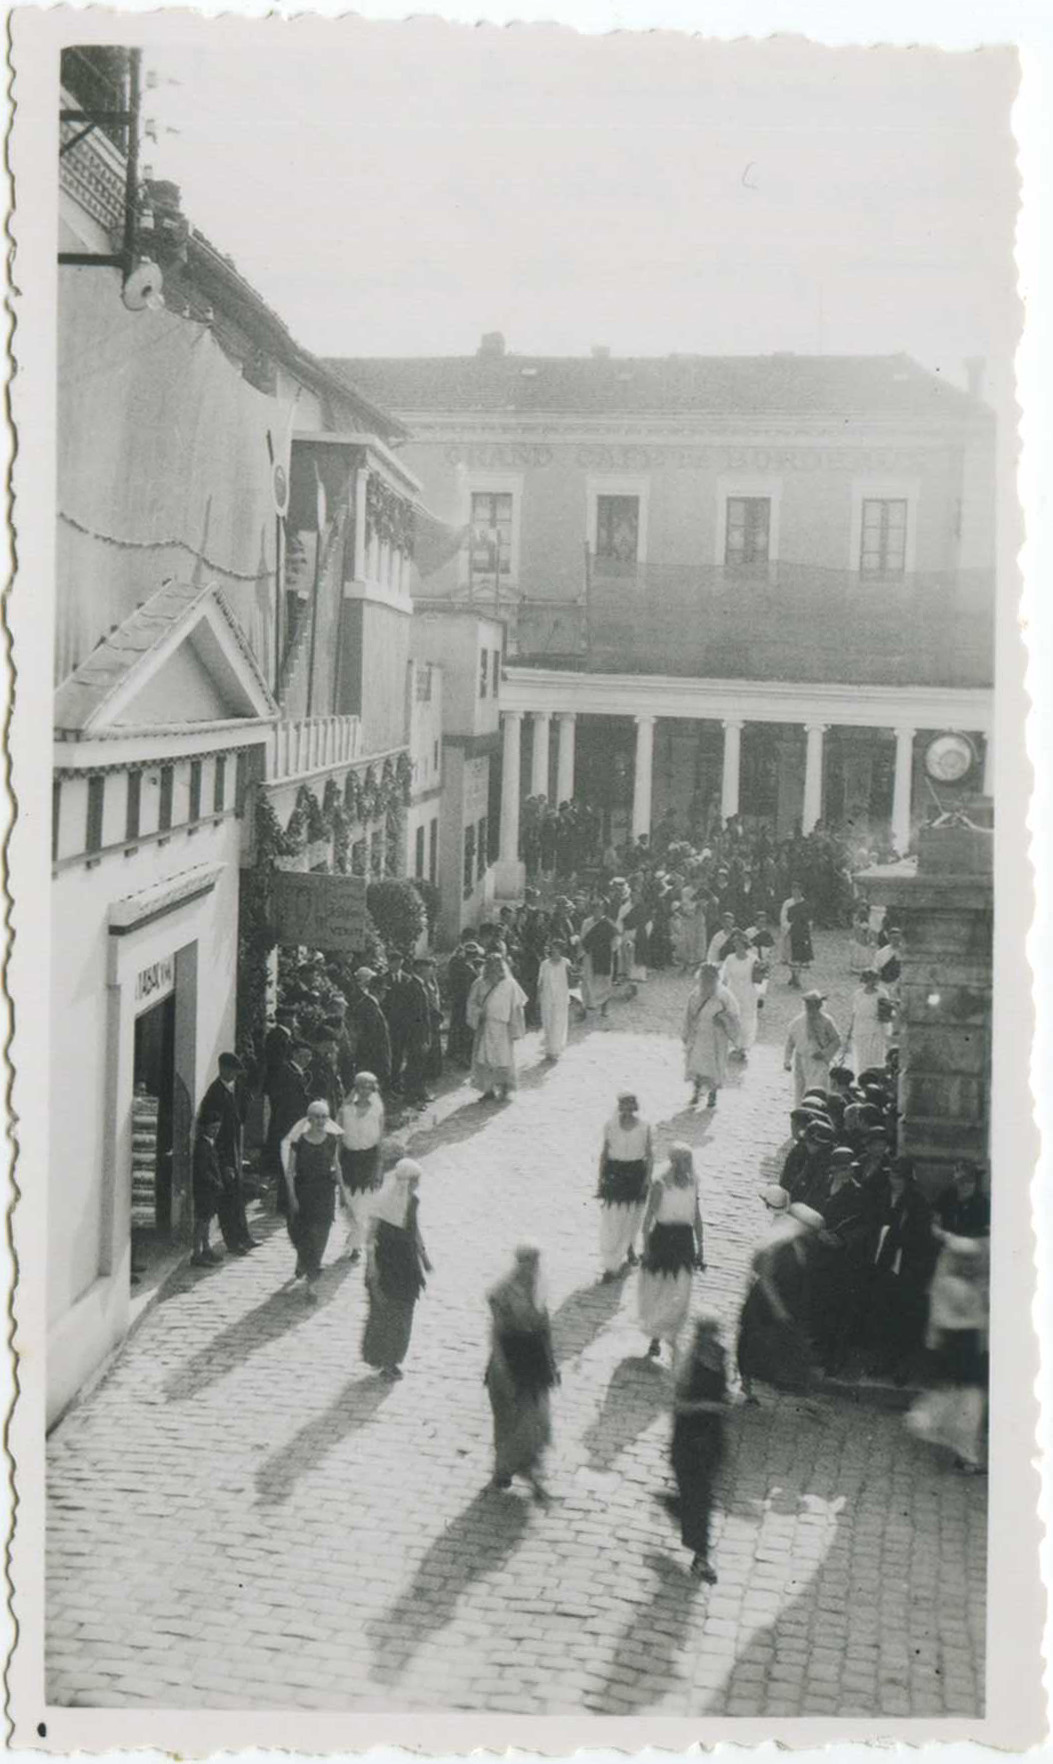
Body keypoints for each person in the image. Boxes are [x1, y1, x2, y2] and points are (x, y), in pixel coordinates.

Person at [905, 1236, 988, 1474]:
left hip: (960, 1345)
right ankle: (932, 1427)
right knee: (968, 1399)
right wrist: (978, 1319)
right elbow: (951, 1318)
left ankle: (953, 1442)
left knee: (961, 1397)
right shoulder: (951, 1284)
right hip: (960, 1345)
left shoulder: (954, 1282)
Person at [485, 1244, 559, 1500]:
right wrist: (502, 1366)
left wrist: (552, 1363)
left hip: (535, 1362)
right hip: (510, 1359)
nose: (532, 1267)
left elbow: (545, 1327)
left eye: (535, 1262)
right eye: (527, 1262)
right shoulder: (502, 1293)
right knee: (506, 1420)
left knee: (535, 1419)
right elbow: (496, 1332)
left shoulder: (540, 1288)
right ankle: (503, 1470)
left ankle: (529, 1473)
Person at [736, 1200, 824, 1400]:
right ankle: (745, 1385)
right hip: (763, 1303)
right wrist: (779, 1308)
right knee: (751, 1342)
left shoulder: (803, 1245)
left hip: (786, 1299)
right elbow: (765, 1278)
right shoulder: (776, 1244)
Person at [662, 1314, 728, 1582]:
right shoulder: (688, 1365)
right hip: (688, 1440)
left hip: (712, 1439)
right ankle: (701, 1559)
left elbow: (723, 1391)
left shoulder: (721, 1357)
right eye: (707, 1337)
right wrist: (709, 1406)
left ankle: (678, 1506)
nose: (712, 1343)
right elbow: (679, 1406)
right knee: (701, 1498)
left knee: (699, 1497)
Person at [864, 1158, 937, 1378]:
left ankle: (900, 1366)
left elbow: (921, 1240)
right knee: (881, 1315)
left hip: (905, 1268)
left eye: (898, 1177)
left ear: (907, 1179)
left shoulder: (918, 1203)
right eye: (891, 1176)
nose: (893, 1180)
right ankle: (882, 1360)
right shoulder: (884, 1196)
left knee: (902, 1319)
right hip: (883, 1264)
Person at [362, 1158, 431, 1380]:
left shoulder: (413, 1202)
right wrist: (372, 1266)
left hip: (407, 1265)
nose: (416, 1185)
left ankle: (392, 1359)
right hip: (386, 1264)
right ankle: (383, 1358)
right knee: (385, 1312)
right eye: (414, 1181)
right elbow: (370, 1238)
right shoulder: (382, 1203)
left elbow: (415, 1230)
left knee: (403, 1313)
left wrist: (424, 1257)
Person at [638, 1143, 705, 1361]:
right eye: (682, 1161)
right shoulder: (660, 1185)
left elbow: (696, 1215)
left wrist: (701, 1245)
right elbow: (648, 1219)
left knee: (682, 1289)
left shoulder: (694, 1182)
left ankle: (672, 1331)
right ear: (674, 1162)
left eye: (688, 1161)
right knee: (660, 1288)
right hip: (663, 1239)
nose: (686, 1166)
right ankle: (656, 1337)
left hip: (684, 1240)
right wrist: (646, 1247)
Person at [281, 1099, 343, 1302]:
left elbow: (337, 1166)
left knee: (321, 1234)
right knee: (305, 1234)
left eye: (324, 1117)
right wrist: (292, 1196)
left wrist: (342, 1192)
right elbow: (290, 1172)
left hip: (324, 1191)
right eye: (316, 1117)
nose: (320, 1121)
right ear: (309, 1119)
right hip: (304, 1190)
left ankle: (312, 1284)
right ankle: (303, 1260)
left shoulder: (332, 1141)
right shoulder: (298, 1142)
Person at [199, 1052, 257, 1254]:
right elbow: (210, 1128)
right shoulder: (215, 1093)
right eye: (232, 1071)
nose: (234, 1075)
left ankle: (244, 1236)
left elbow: (241, 1116)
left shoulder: (234, 1090)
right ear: (222, 1068)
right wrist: (223, 1163)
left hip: (234, 1149)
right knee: (227, 1199)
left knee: (237, 1196)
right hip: (222, 1154)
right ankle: (233, 1242)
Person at [597, 1093, 655, 1281]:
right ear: (619, 1107)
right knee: (613, 1218)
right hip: (615, 1174)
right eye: (624, 1106)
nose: (628, 1111)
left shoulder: (644, 1126)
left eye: (631, 1106)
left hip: (635, 1173)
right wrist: (600, 1178)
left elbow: (650, 1155)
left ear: (636, 1107)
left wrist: (647, 1178)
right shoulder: (610, 1126)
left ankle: (629, 1248)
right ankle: (611, 1263)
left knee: (632, 1215)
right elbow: (604, 1153)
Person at [336, 1071, 385, 1263]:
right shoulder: (345, 1111)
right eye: (361, 1086)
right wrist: (336, 1164)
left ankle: (356, 1246)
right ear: (355, 1088)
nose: (365, 1090)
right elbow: (339, 1141)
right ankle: (355, 1235)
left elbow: (380, 1141)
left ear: (373, 1089)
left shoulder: (377, 1111)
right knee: (348, 1203)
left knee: (363, 1206)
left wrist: (379, 1169)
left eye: (368, 1086)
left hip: (368, 1161)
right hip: (349, 1160)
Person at [467, 953, 528, 1101]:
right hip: (486, 1026)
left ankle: (505, 1087)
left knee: (503, 1058)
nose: (495, 967)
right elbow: (471, 1002)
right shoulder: (479, 983)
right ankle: (488, 1090)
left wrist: (515, 1026)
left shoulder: (510, 984)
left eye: (498, 964)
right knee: (485, 1058)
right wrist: (478, 1013)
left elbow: (517, 1006)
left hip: (503, 1028)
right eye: (491, 964)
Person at [683, 962, 741, 1109]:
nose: (706, 981)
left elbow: (734, 1015)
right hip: (699, 1035)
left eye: (710, 977)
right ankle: (696, 1093)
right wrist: (686, 1032)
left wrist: (722, 1018)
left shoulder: (724, 995)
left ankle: (712, 1095)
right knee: (696, 1064)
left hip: (717, 1038)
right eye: (704, 977)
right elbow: (688, 1015)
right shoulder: (695, 994)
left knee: (715, 1066)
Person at [263, 1037, 311, 1213]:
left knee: (292, 1165)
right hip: (287, 1126)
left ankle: (287, 1202)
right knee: (287, 1166)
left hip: (296, 1125)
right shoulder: (287, 1072)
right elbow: (285, 1103)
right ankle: (284, 1204)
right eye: (305, 1056)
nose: (308, 1060)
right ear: (296, 1054)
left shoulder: (297, 1073)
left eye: (310, 1057)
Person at [385, 953, 432, 1102]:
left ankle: (418, 1093)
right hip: (416, 1035)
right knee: (415, 1065)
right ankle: (412, 1096)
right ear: (421, 970)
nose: (430, 972)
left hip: (416, 1034)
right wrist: (423, 1037)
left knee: (418, 1064)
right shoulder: (414, 987)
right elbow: (417, 1016)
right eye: (428, 969)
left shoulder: (416, 985)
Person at [784, 990, 842, 1106]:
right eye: (807, 1004)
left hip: (819, 1062)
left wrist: (824, 1053)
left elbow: (836, 1041)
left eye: (812, 1004)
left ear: (819, 1005)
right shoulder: (798, 1022)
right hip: (801, 1060)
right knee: (800, 1089)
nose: (809, 1007)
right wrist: (787, 1060)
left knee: (817, 1089)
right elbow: (790, 1042)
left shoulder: (826, 1021)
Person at [348, 966, 392, 1093]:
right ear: (378, 991)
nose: (385, 994)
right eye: (384, 991)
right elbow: (371, 1038)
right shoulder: (370, 1008)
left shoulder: (367, 1004)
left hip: (369, 1060)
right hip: (372, 1061)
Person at [840, 968, 890, 1074]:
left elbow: (886, 1013)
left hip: (876, 1029)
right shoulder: (858, 994)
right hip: (860, 1029)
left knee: (876, 1057)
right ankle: (862, 1078)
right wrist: (850, 1031)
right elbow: (855, 1013)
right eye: (872, 979)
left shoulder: (882, 993)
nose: (875, 982)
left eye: (876, 979)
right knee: (862, 1058)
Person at [190, 1116, 224, 1267]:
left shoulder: (210, 1144)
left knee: (207, 1220)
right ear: (205, 1128)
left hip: (210, 1191)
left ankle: (206, 1248)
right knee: (201, 1221)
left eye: (217, 1128)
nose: (216, 1131)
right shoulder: (202, 1146)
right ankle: (196, 1253)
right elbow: (203, 1171)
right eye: (213, 1128)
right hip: (204, 1189)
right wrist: (215, 1182)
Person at [720, 930, 758, 1059]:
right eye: (734, 943)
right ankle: (735, 1044)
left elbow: (761, 979)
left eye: (739, 942)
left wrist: (760, 995)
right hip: (733, 992)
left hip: (748, 993)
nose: (736, 945)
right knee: (733, 1018)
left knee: (747, 1019)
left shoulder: (753, 959)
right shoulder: (730, 958)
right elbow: (724, 978)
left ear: (744, 943)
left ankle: (743, 1047)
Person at [446, 940, 482, 1069]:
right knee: (464, 1029)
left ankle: (457, 1053)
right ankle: (463, 1057)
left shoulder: (464, 965)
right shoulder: (465, 968)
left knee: (459, 1027)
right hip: (464, 1002)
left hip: (460, 1001)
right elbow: (466, 988)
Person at [933, 1160, 991, 1241]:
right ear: (955, 1182)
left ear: (975, 1183)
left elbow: (988, 1234)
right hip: (947, 1243)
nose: (966, 1185)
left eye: (970, 1181)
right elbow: (934, 1224)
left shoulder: (983, 1203)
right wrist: (943, 1235)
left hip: (973, 1246)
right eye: (961, 1181)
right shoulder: (946, 1196)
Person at [581, 904, 620, 1018]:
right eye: (594, 910)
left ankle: (605, 1008)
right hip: (590, 955)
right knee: (588, 980)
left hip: (604, 956)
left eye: (599, 910)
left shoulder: (608, 924)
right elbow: (583, 938)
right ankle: (589, 1005)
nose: (596, 913)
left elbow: (616, 940)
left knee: (604, 981)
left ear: (603, 912)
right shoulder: (586, 922)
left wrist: (608, 949)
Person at [538, 939, 572, 1061]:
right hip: (547, 996)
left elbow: (571, 979)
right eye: (553, 948)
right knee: (548, 1023)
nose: (555, 951)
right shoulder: (544, 964)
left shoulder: (566, 962)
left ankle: (556, 1050)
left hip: (561, 997)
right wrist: (538, 997)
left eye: (558, 948)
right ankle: (549, 1050)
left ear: (562, 950)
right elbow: (540, 981)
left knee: (559, 1022)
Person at [785, 886, 814, 988]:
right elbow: (786, 919)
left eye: (798, 891)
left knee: (801, 956)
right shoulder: (789, 905)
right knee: (793, 955)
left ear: (801, 891)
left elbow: (810, 919)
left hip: (804, 932)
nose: (796, 893)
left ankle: (797, 977)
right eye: (793, 890)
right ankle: (794, 976)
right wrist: (787, 929)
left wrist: (809, 930)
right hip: (793, 932)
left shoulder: (806, 905)